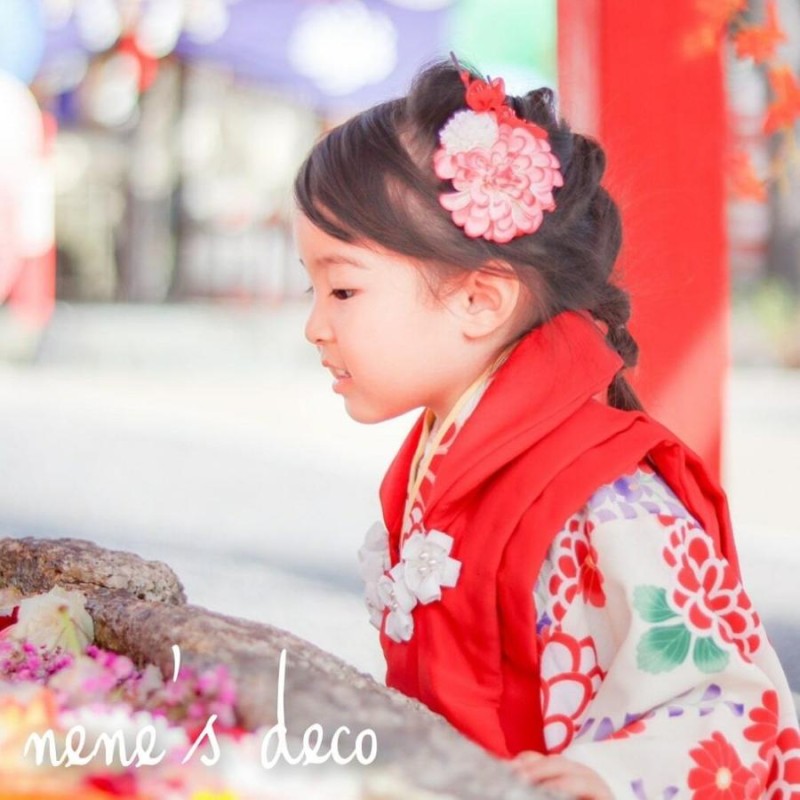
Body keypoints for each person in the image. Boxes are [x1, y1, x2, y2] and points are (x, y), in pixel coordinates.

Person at [294, 58, 800, 799]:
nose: (315, 326)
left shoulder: (609, 497)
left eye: (342, 289)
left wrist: (606, 775)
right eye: (313, 288)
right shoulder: (445, 454)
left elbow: (729, 704)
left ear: (479, 299)